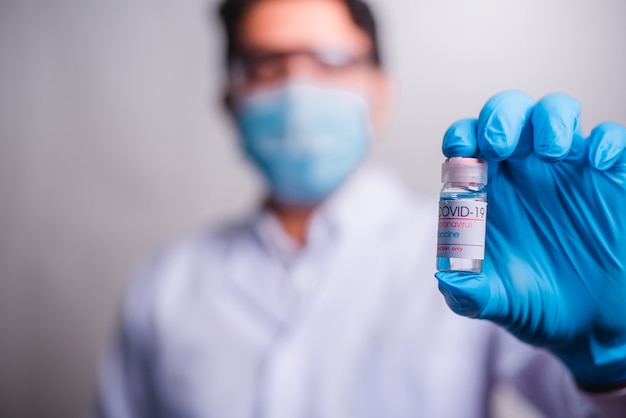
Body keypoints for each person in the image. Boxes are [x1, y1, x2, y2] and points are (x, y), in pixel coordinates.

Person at [93, 0, 626, 417]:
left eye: (331, 61)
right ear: (229, 99)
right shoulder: (166, 286)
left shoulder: (489, 253)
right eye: (265, 64)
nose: (298, 88)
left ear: (380, 90)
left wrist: (611, 360)